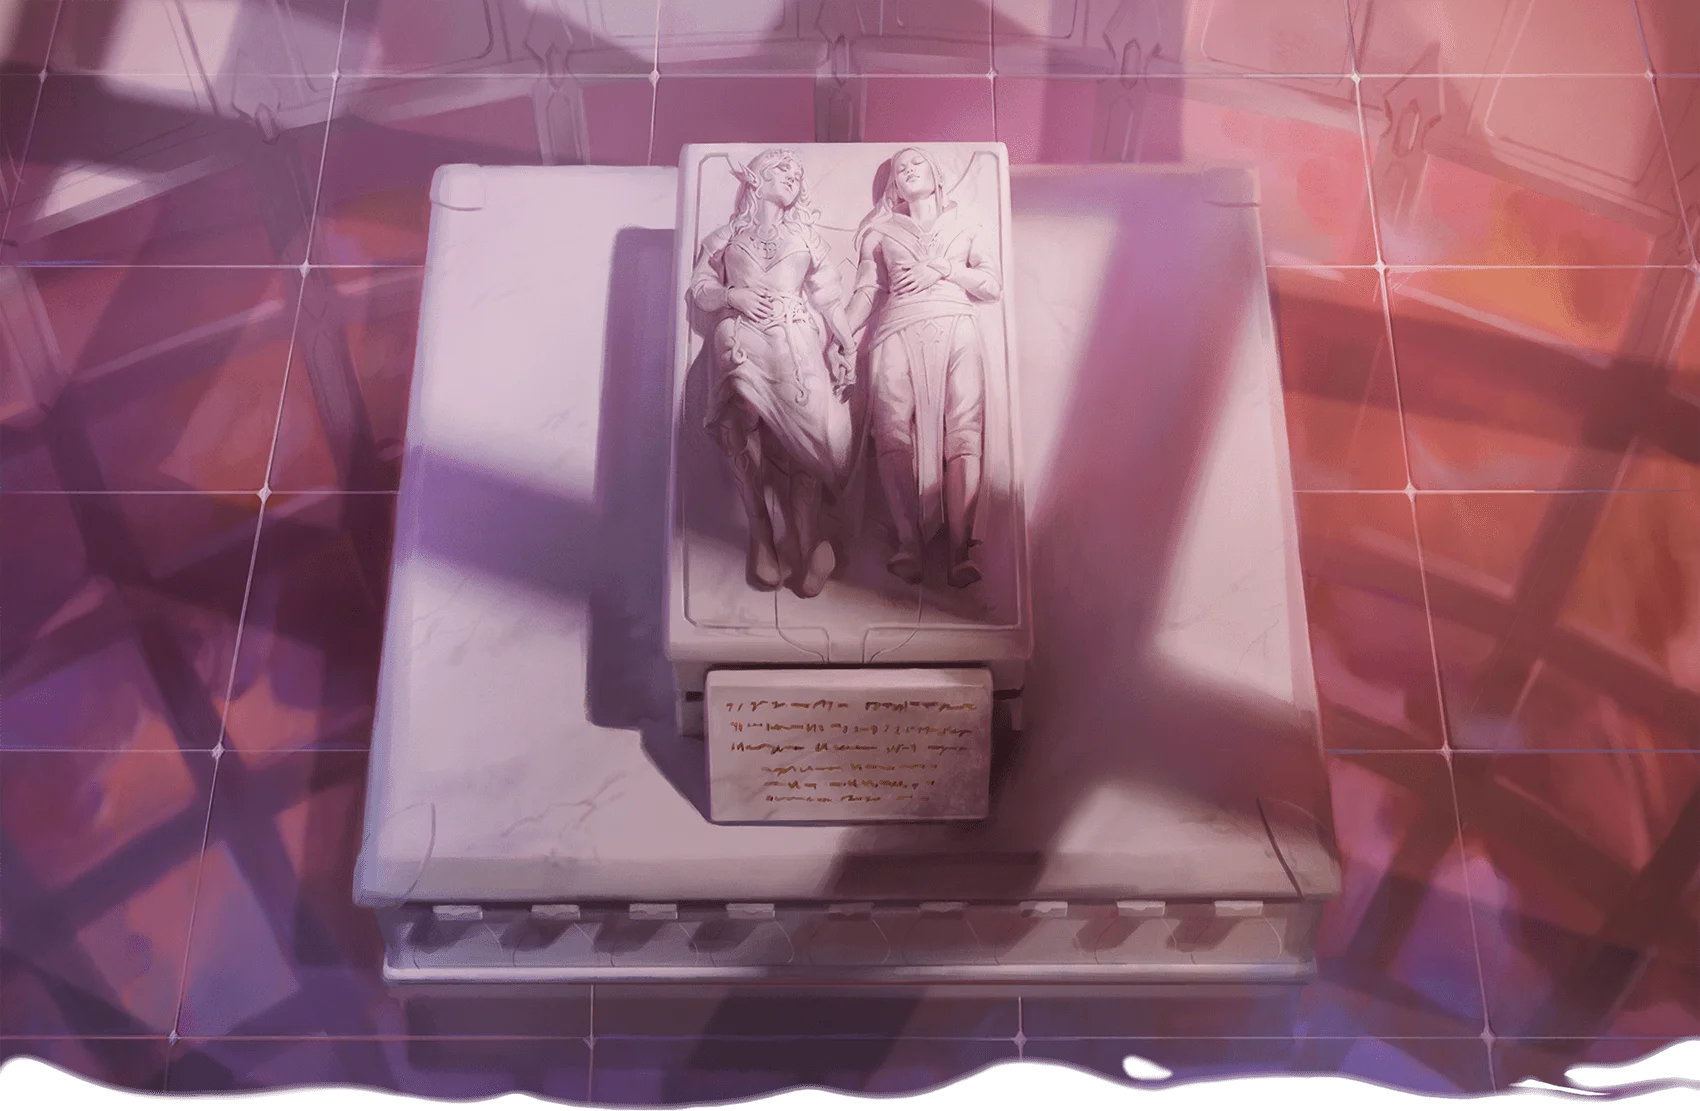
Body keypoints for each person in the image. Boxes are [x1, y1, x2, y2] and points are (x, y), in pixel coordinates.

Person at [688, 149, 858, 599]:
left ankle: (810, 543)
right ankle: (760, 533)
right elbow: (701, 287)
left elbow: (828, 297)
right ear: (756, 179)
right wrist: (732, 295)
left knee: (808, 439)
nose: (792, 176)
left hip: (795, 342)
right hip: (740, 337)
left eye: (797, 173)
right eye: (782, 169)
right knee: (737, 421)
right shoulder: (726, 236)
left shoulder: (805, 237)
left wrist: (846, 342)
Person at [845, 147, 1002, 589]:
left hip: (956, 325)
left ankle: (959, 549)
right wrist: (838, 333)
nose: (909, 170)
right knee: (891, 430)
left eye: (918, 164)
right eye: (901, 168)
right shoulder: (879, 232)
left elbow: (991, 285)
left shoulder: (967, 226)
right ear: (894, 185)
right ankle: (908, 543)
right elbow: (867, 292)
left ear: (937, 176)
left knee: (965, 430)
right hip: (897, 328)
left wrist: (944, 269)